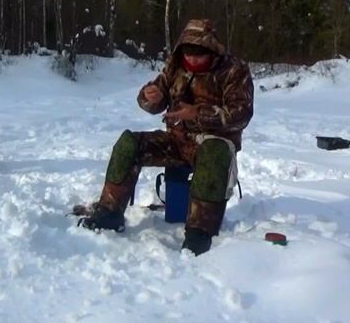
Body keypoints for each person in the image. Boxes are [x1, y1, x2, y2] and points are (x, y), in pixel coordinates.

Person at [75, 19, 254, 256]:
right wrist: (151, 97)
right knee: (128, 143)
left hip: (214, 143)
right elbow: (149, 101)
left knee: (214, 153)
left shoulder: (234, 70)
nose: (193, 60)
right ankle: (109, 213)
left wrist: (197, 113)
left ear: (212, 49)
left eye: (199, 55)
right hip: (177, 141)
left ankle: (200, 233)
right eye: (189, 55)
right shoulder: (175, 66)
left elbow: (241, 114)